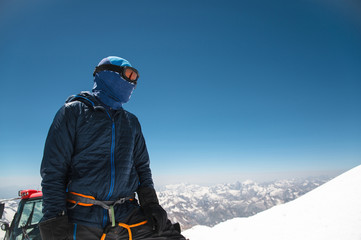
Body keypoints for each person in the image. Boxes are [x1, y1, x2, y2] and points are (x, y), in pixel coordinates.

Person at [39, 56, 186, 240]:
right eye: (129, 74)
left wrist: (150, 204)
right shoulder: (73, 112)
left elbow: (142, 167)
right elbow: (54, 170)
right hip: (83, 215)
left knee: (172, 236)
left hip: (126, 212)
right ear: (108, 74)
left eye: (136, 79)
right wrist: (54, 217)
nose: (133, 82)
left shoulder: (131, 122)